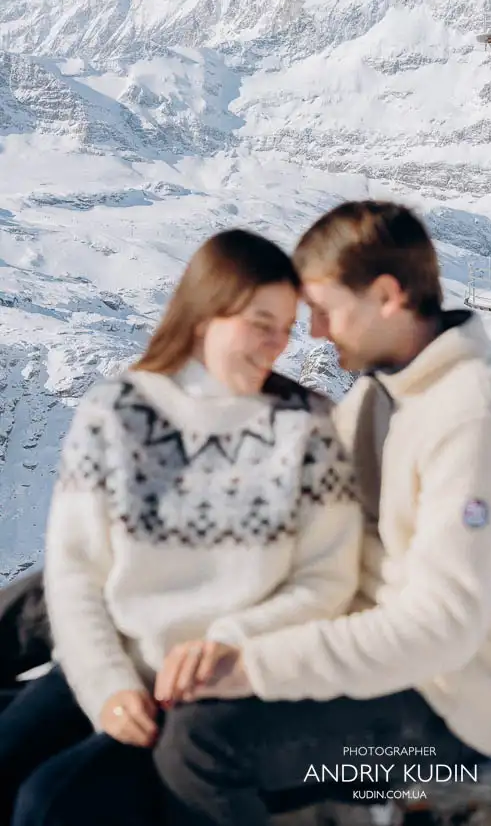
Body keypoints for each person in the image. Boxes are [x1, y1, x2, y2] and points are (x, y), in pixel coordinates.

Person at [142, 201, 491, 825]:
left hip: (450, 726)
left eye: (325, 310)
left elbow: (440, 630)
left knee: (204, 741)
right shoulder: (381, 395)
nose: (312, 331)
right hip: (383, 673)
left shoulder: (478, 419)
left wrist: (253, 667)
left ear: (388, 296)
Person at [0, 228, 361, 824]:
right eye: (259, 322)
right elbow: (75, 577)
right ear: (205, 315)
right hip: (111, 660)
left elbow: (326, 582)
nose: (276, 344)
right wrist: (108, 687)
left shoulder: (309, 429)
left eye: (285, 325)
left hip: (220, 690)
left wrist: (227, 641)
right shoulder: (116, 413)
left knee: (53, 800)